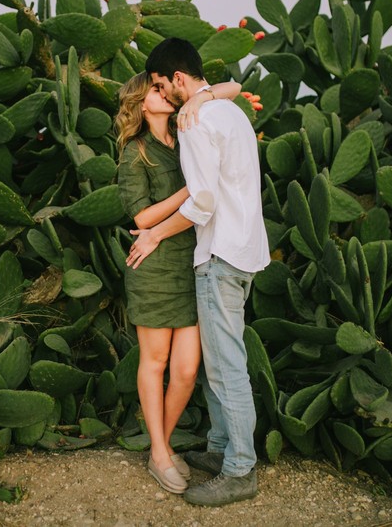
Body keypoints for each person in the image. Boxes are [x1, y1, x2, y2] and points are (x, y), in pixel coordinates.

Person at [125, 37, 270, 507]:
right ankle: (221, 448)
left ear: (179, 79)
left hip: (219, 253)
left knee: (225, 368)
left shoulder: (194, 120)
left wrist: (154, 234)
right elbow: (230, 89)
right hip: (244, 249)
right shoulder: (231, 113)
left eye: (165, 85)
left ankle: (239, 469)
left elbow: (202, 201)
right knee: (216, 365)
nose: (165, 95)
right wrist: (209, 94)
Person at [115, 71, 241, 495]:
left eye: (165, 86)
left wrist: (197, 100)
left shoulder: (187, 130)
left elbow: (234, 88)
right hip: (152, 262)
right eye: (154, 90)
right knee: (155, 363)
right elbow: (141, 218)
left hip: (190, 262)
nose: (164, 92)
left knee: (187, 370)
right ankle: (160, 453)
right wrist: (192, 189)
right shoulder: (135, 152)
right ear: (139, 103)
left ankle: (159, 448)